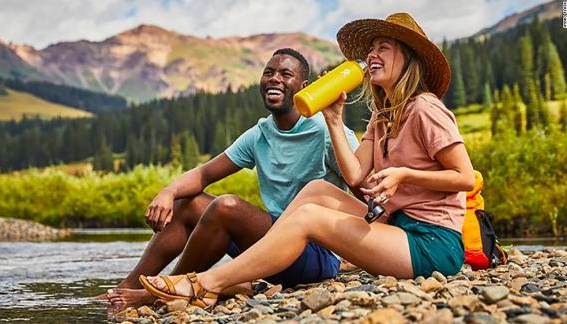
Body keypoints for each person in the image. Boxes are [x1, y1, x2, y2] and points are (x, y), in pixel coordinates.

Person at [138, 12, 475, 308]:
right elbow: (356, 175)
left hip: (430, 243)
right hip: (397, 226)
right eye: (371, 48)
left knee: (310, 217)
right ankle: (254, 269)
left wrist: (404, 174)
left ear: (409, 58)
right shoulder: (382, 117)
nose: (372, 55)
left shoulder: (426, 108)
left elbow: (464, 177)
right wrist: (333, 118)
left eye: (383, 47)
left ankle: (204, 284)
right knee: (317, 190)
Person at [102, 48, 360, 308]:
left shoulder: (327, 130)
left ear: (304, 86)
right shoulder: (259, 134)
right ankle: (126, 287)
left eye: (285, 74)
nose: (274, 79)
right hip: (268, 248)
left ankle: (167, 291)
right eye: (268, 72)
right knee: (188, 202)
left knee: (227, 207)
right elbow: (204, 174)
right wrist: (168, 192)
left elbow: (362, 182)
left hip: (316, 254)